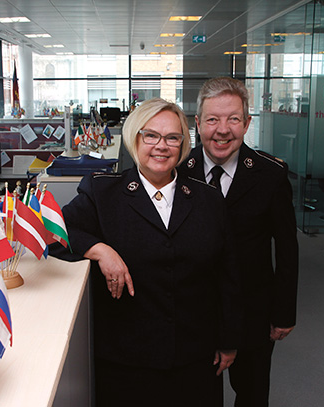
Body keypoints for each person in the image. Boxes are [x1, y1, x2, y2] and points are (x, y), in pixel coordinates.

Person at [57, 98, 242, 407]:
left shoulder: (208, 199)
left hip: (195, 357)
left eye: (172, 138)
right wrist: (100, 250)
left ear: (183, 144)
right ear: (135, 138)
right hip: (125, 361)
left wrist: (229, 340)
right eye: (151, 135)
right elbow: (55, 234)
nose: (162, 146)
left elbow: (228, 275)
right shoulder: (102, 192)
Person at [179, 77, 299, 407]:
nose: (222, 130)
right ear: (198, 124)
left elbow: (287, 249)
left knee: (252, 393)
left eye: (233, 119)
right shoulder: (178, 172)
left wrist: (284, 311)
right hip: (194, 312)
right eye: (212, 119)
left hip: (253, 310)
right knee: (197, 395)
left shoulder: (270, 175)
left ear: (247, 123)